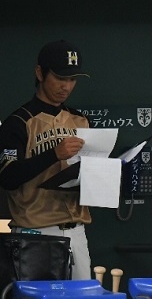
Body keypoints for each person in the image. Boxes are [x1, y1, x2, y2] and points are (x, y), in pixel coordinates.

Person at [0, 40, 93, 281]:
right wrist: (53, 154)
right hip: (35, 235)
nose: (66, 86)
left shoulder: (80, 121)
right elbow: (7, 177)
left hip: (76, 232)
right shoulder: (18, 123)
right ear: (40, 73)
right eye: (60, 77)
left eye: (72, 79)